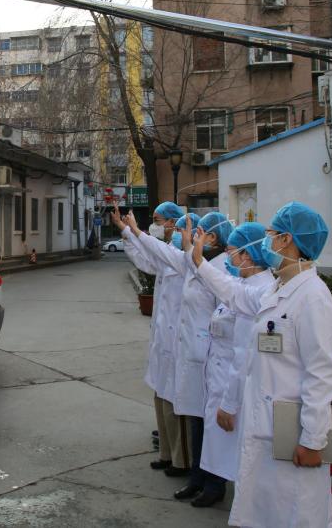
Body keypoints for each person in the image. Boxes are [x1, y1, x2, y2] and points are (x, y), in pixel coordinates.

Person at [189, 202, 332, 528]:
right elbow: (235, 294)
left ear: (286, 239)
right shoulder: (277, 288)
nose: (266, 241)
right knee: (262, 510)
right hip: (265, 426)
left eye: (271, 234)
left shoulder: (313, 297)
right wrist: (200, 264)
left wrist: (313, 440)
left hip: (291, 431)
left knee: (295, 513)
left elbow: (322, 375)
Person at [128, 210, 233, 507]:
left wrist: (135, 231)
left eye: (198, 232)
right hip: (192, 355)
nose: (190, 236)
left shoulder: (222, 269)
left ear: (213, 237)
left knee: (211, 426)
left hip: (212, 358)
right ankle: (197, 478)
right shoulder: (195, 261)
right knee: (197, 421)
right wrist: (132, 231)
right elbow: (160, 252)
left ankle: (214, 484)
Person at [196, 221, 275, 500]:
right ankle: (215, 487)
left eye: (231, 251)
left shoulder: (262, 289)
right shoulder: (245, 282)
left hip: (235, 388)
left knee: (240, 457)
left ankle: (225, 493)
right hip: (222, 379)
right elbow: (229, 290)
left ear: (247, 255)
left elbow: (244, 354)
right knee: (225, 451)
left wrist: (229, 403)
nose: (227, 257)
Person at [112, 202, 191, 475]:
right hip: (163, 343)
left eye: (159, 220)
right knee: (162, 399)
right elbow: (144, 259)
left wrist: (134, 230)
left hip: (179, 344)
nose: (157, 225)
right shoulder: (168, 256)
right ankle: (168, 454)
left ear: (173, 222)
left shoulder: (183, 259)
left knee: (175, 404)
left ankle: (181, 461)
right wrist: (126, 232)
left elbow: (154, 248)